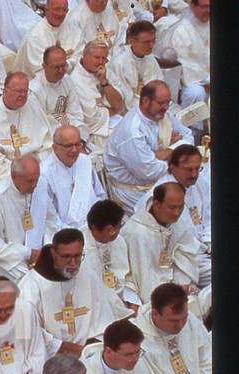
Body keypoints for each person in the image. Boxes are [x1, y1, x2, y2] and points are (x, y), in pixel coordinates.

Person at [19, 228, 131, 357]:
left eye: (77, 256)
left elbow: (108, 308)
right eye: (66, 257)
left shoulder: (85, 271)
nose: (73, 263)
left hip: (89, 350)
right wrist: (69, 348)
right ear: (53, 253)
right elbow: (28, 330)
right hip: (50, 355)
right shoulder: (31, 285)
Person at [103, 80, 191, 212]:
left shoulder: (163, 115)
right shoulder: (132, 131)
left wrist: (167, 152)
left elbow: (189, 137)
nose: (166, 107)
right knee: (178, 210)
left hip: (161, 180)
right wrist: (178, 159)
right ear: (145, 101)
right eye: (161, 103)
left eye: (168, 102)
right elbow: (149, 171)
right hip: (134, 192)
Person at [133, 145, 210, 288]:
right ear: (172, 167)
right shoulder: (161, 193)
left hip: (203, 250)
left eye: (197, 169)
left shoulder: (198, 184)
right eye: (188, 169)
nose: (194, 174)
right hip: (178, 257)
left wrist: (209, 243)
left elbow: (208, 218)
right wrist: (203, 249)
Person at [0, 156, 58, 281]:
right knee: (32, 282)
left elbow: (50, 221)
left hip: (39, 252)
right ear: (14, 175)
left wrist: (47, 248)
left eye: (36, 180)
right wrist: (29, 254)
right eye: (30, 181)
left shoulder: (39, 187)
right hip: (7, 259)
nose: (34, 185)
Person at [121, 182, 199, 303]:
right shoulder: (136, 233)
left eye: (181, 207)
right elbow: (130, 276)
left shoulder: (174, 222)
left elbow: (185, 255)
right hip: (149, 296)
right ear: (156, 204)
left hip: (174, 285)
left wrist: (183, 282)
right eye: (172, 207)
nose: (177, 213)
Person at [0, 72, 52, 185]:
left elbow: (46, 144)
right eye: (18, 91)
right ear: (5, 91)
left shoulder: (33, 105)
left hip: (37, 170)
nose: (23, 95)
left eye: (25, 91)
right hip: (4, 177)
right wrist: (21, 173)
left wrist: (34, 168)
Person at [39, 125, 105, 230]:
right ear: (55, 148)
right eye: (68, 145)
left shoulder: (85, 161)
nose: (74, 150)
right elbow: (50, 216)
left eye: (77, 144)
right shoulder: (45, 173)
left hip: (93, 227)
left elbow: (99, 195)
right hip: (64, 233)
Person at [82, 200, 138, 310]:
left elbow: (127, 277)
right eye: (111, 230)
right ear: (94, 228)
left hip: (121, 301)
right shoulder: (81, 248)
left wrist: (132, 301)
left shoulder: (119, 241)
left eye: (119, 226)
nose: (117, 232)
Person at [28, 46, 88, 138]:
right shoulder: (34, 90)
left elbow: (76, 113)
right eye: (56, 67)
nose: (61, 71)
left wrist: (78, 137)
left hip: (71, 133)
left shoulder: (67, 80)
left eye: (63, 66)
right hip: (50, 138)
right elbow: (40, 125)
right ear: (44, 66)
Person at [165, 0, 210, 109]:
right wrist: (207, 78)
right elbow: (185, 63)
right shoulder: (183, 29)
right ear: (193, 6)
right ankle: (191, 127)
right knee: (195, 93)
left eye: (210, 6)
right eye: (204, 7)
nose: (208, 11)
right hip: (192, 81)